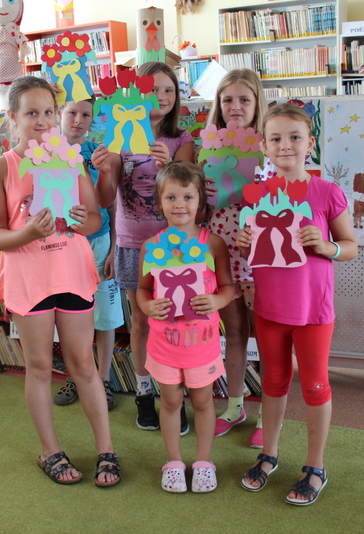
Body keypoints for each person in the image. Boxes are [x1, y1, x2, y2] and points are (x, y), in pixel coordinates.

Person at [0, 76, 120, 487]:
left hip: (72, 275)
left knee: (84, 365)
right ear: (13, 117)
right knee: (41, 367)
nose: (42, 121)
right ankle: (49, 450)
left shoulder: (70, 160)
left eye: (48, 112)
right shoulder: (2, 167)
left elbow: (94, 219)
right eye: (31, 113)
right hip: (30, 281)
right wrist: (28, 232)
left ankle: (107, 449)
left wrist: (80, 221)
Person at [236, 103, 357, 505]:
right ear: (264, 146)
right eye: (275, 138)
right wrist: (243, 242)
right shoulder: (257, 196)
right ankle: (269, 454)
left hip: (313, 311)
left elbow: (351, 246)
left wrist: (327, 246)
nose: (285, 145)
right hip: (270, 308)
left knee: (315, 385)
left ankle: (315, 466)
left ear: (310, 142)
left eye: (294, 137)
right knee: (273, 381)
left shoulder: (327, 192)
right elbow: (254, 248)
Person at [94, 62, 195, 431]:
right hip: (132, 244)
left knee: (174, 321)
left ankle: (173, 395)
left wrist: (169, 167)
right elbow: (106, 198)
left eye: (169, 90)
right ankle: (143, 392)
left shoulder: (181, 140)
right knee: (141, 322)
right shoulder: (119, 138)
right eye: (154, 89)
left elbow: (189, 193)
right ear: (138, 94)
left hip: (173, 247)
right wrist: (105, 169)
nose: (162, 97)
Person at [136, 161, 234, 493]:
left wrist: (217, 301)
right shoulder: (151, 246)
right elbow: (143, 289)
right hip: (164, 344)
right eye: (171, 197)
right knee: (170, 402)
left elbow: (228, 287)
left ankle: (204, 462)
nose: (180, 204)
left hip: (202, 345)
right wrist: (147, 306)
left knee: (204, 402)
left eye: (188, 197)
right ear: (159, 202)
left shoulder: (213, 243)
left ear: (200, 201)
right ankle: (174, 462)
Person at [202, 69, 269, 447]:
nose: (236, 106)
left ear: (257, 103)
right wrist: (201, 186)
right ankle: (235, 406)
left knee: (268, 337)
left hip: (258, 252)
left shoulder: (269, 146)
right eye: (228, 100)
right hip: (222, 250)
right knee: (236, 332)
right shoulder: (209, 146)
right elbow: (200, 207)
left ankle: (269, 414)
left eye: (244, 99)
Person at [54, 97, 124, 411]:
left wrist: (114, 247)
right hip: (64, 244)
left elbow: (112, 204)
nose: (78, 120)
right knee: (70, 315)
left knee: (105, 316)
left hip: (100, 242)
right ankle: (76, 375)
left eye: (85, 114)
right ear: (60, 113)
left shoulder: (99, 153)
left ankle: (104, 378)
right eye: (72, 112)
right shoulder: (46, 152)